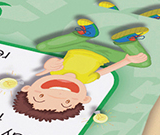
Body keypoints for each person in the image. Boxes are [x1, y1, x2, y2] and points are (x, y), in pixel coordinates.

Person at [10, 18, 150, 120]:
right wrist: (127, 61)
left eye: (40, 96)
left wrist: (49, 64)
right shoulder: (86, 79)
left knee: (42, 47)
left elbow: (53, 62)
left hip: (77, 46)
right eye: (66, 102)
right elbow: (106, 70)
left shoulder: (54, 71)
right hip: (105, 54)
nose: (58, 94)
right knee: (144, 63)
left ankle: (85, 33)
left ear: (27, 88)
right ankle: (126, 40)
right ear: (84, 98)